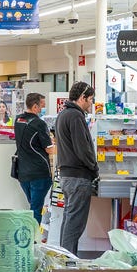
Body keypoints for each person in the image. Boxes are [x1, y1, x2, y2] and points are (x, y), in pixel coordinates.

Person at [54, 81, 100, 257]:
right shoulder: (75, 116)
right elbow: (83, 148)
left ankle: (63, 257)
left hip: (67, 175)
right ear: (82, 97)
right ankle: (67, 260)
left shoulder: (63, 115)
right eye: (90, 99)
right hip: (78, 177)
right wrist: (94, 168)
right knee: (75, 223)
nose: (91, 103)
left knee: (69, 220)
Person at [12, 92, 55, 223]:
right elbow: (49, 149)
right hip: (39, 173)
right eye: (42, 106)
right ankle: (33, 239)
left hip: (22, 173)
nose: (43, 109)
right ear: (35, 106)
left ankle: (30, 236)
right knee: (36, 209)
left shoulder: (18, 120)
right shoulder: (39, 123)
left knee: (33, 206)